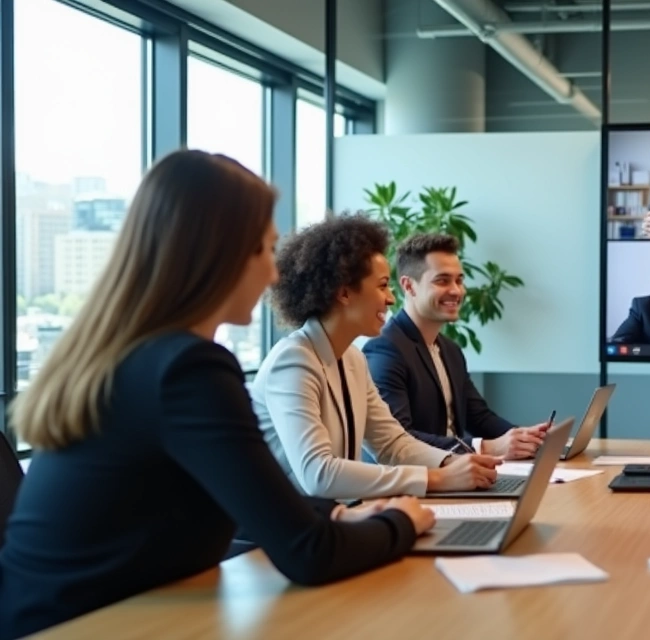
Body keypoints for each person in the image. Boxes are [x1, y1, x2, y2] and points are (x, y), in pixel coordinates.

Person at [0, 151, 438, 640]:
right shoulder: (187, 370)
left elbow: (249, 489)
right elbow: (309, 554)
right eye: (262, 251)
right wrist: (402, 521)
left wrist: (339, 513)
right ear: (217, 253)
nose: (274, 275)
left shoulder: (135, 357)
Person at [252, 220, 500, 501]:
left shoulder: (352, 358)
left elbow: (392, 443)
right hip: (285, 533)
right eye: (383, 286)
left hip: (336, 519)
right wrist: (437, 478)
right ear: (344, 292)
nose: (391, 298)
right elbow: (318, 474)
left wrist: (450, 463)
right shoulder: (293, 361)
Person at [364, 233, 551, 457]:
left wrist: (526, 437)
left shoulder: (450, 349)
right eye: (442, 280)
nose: (456, 290)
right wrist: (485, 447)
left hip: (458, 477)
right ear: (409, 286)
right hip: (417, 484)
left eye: (459, 280)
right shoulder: (385, 349)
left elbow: (479, 416)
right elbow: (400, 439)